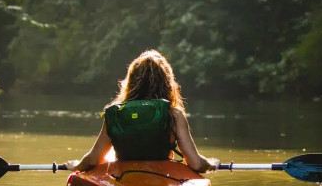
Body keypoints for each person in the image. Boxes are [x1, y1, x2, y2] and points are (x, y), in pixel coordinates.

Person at [65, 49, 219, 173]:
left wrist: (77, 166)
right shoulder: (174, 115)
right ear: (167, 83)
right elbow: (196, 164)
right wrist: (211, 163)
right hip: (163, 178)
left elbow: (93, 159)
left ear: (131, 82)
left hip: (124, 179)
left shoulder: (115, 114)